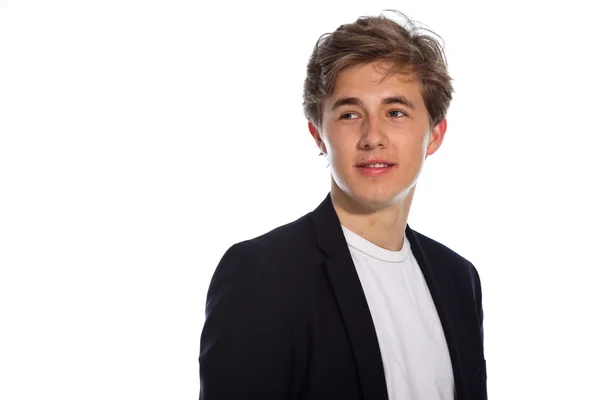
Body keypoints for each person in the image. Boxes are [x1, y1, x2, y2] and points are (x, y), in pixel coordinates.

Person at [199, 11, 486, 400]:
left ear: (435, 135)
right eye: (350, 114)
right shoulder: (262, 275)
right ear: (319, 135)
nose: (373, 136)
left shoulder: (459, 278)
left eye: (395, 112)